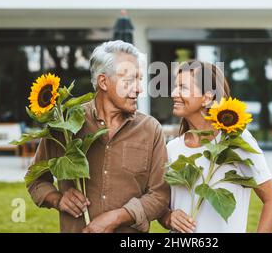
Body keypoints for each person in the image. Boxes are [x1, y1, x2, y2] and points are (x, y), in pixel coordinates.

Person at [27, 40, 170, 233]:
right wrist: (58, 199)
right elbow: (35, 179)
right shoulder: (66, 126)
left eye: (139, 79)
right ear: (103, 82)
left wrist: (117, 217)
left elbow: (160, 196)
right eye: (129, 80)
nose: (138, 89)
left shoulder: (150, 129)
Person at [159, 61, 272, 233]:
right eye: (175, 87)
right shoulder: (172, 148)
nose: (173, 93)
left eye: (182, 87)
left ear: (207, 97)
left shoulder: (235, 140)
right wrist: (168, 217)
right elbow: (160, 204)